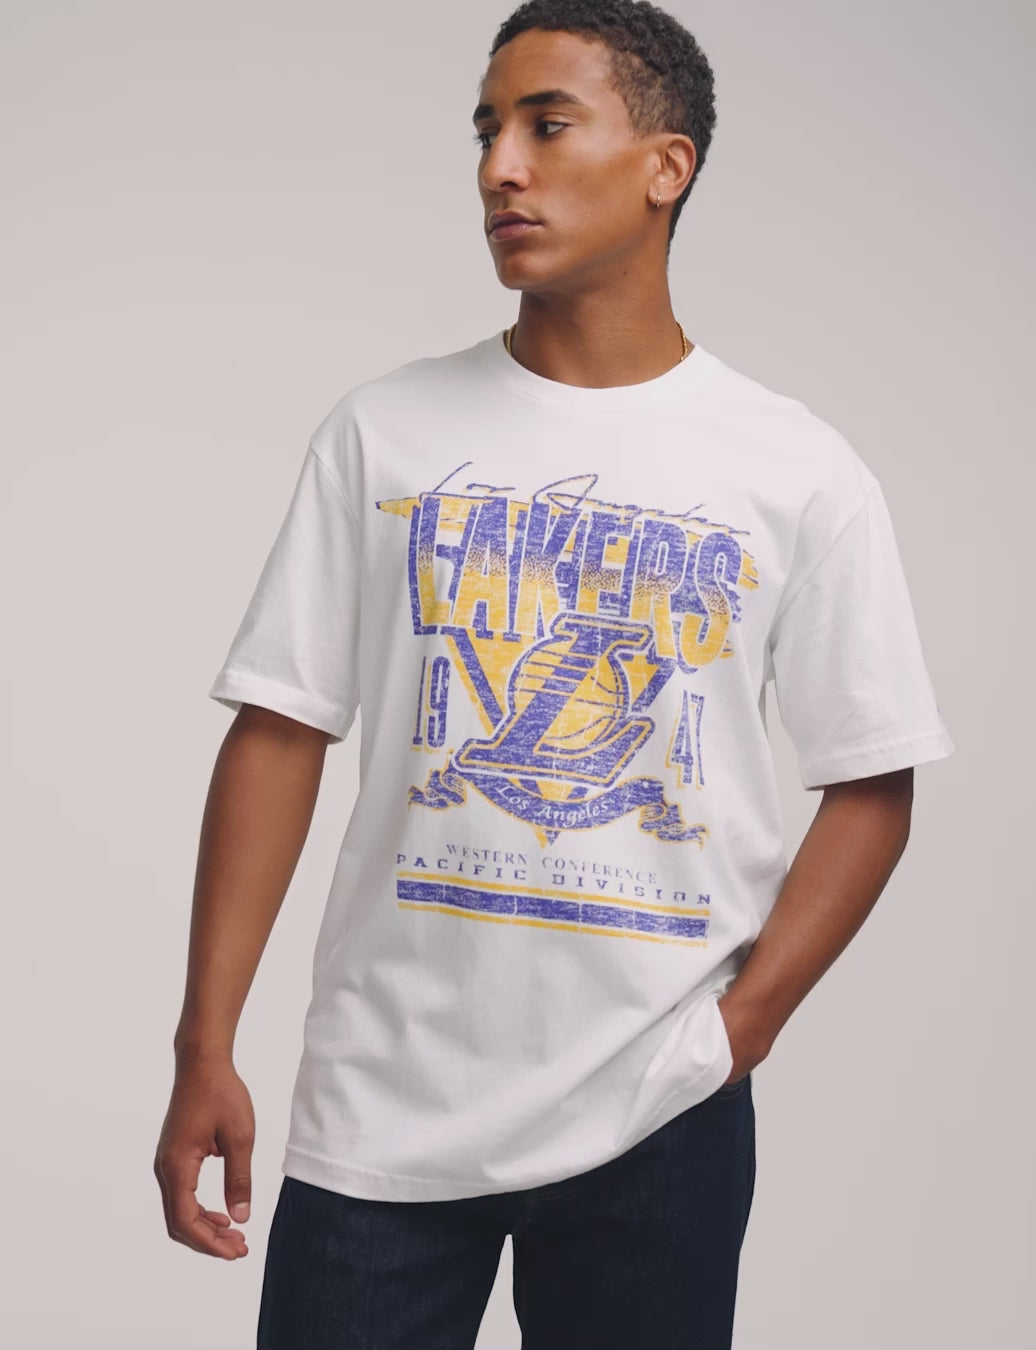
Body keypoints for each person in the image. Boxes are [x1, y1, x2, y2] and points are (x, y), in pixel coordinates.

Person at [153, 2, 956, 1346]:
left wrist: (740, 1030)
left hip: (657, 1111)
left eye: (547, 125)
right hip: (385, 1106)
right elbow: (281, 730)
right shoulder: (385, 432)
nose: (499, 168)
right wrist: (204, 1043)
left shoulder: (795, 469)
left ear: (666, 166)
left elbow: (873, 777)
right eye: (485, 131)